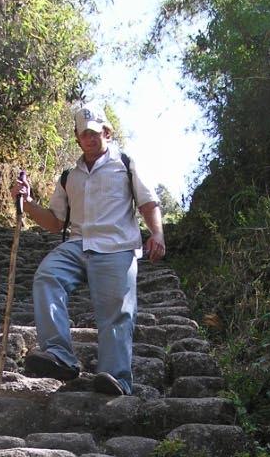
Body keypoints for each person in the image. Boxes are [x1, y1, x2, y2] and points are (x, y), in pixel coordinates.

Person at [11, 104, 165, 395]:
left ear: (107, 133)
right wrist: (28, 203)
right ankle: (60, 355)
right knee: (47, 276)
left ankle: (115, 377)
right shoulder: (70, 176)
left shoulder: (126, 164)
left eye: (96, 133)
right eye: (85, 134)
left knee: (116, 312)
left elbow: (147, 202)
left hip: (116, 247)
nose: (91, 139)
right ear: (77, 138)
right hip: (77, 244)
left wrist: (157, 233)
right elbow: (55, 222)